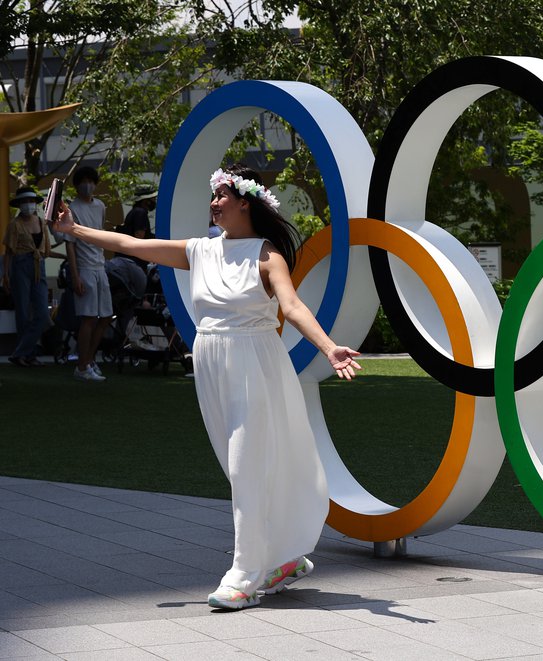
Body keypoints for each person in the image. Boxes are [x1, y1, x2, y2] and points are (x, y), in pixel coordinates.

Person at [51, 163, 361, 611]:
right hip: (212, 364)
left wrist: (329, 348)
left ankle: (245, 575)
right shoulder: (199, 250)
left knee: (245, 466)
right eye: (213, 195)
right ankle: (282, 559)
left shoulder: (266, 254)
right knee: (242, 468)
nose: (213, 202)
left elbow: (291, 307)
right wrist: (73, 228)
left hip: (255, 364)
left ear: (245, 202)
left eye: (221, 195)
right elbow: (130, 244)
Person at [66, 166, 113, 381]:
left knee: (105, 317)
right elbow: (70, 245)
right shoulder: (71, 209)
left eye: (91, 180)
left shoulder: (100, 206)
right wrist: (75, 276)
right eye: (83, 181)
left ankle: (89, 360)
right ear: (76, 185)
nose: (88, 185)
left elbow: (100, 234)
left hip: (100, 266)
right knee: (88, 319)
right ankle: (82, 366)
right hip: (84, 268)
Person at [2, 186, 54, 366]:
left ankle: (20, 353)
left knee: (42, 313)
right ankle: (27, 355)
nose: (28, 205)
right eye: (24, 202)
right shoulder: (14, 225)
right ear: (19, 204)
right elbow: (8, 251)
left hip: (39, 265)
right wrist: (6, 275)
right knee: (23, 313)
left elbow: (46, 251)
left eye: (31, 201)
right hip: (20, 266)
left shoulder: (41, 222)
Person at [119, 186, 157, 270]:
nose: (154, 201)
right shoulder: (140, 213)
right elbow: (139, 237)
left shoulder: (135, 212)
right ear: (146, 201)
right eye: (153, 199)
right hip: (134, 262)